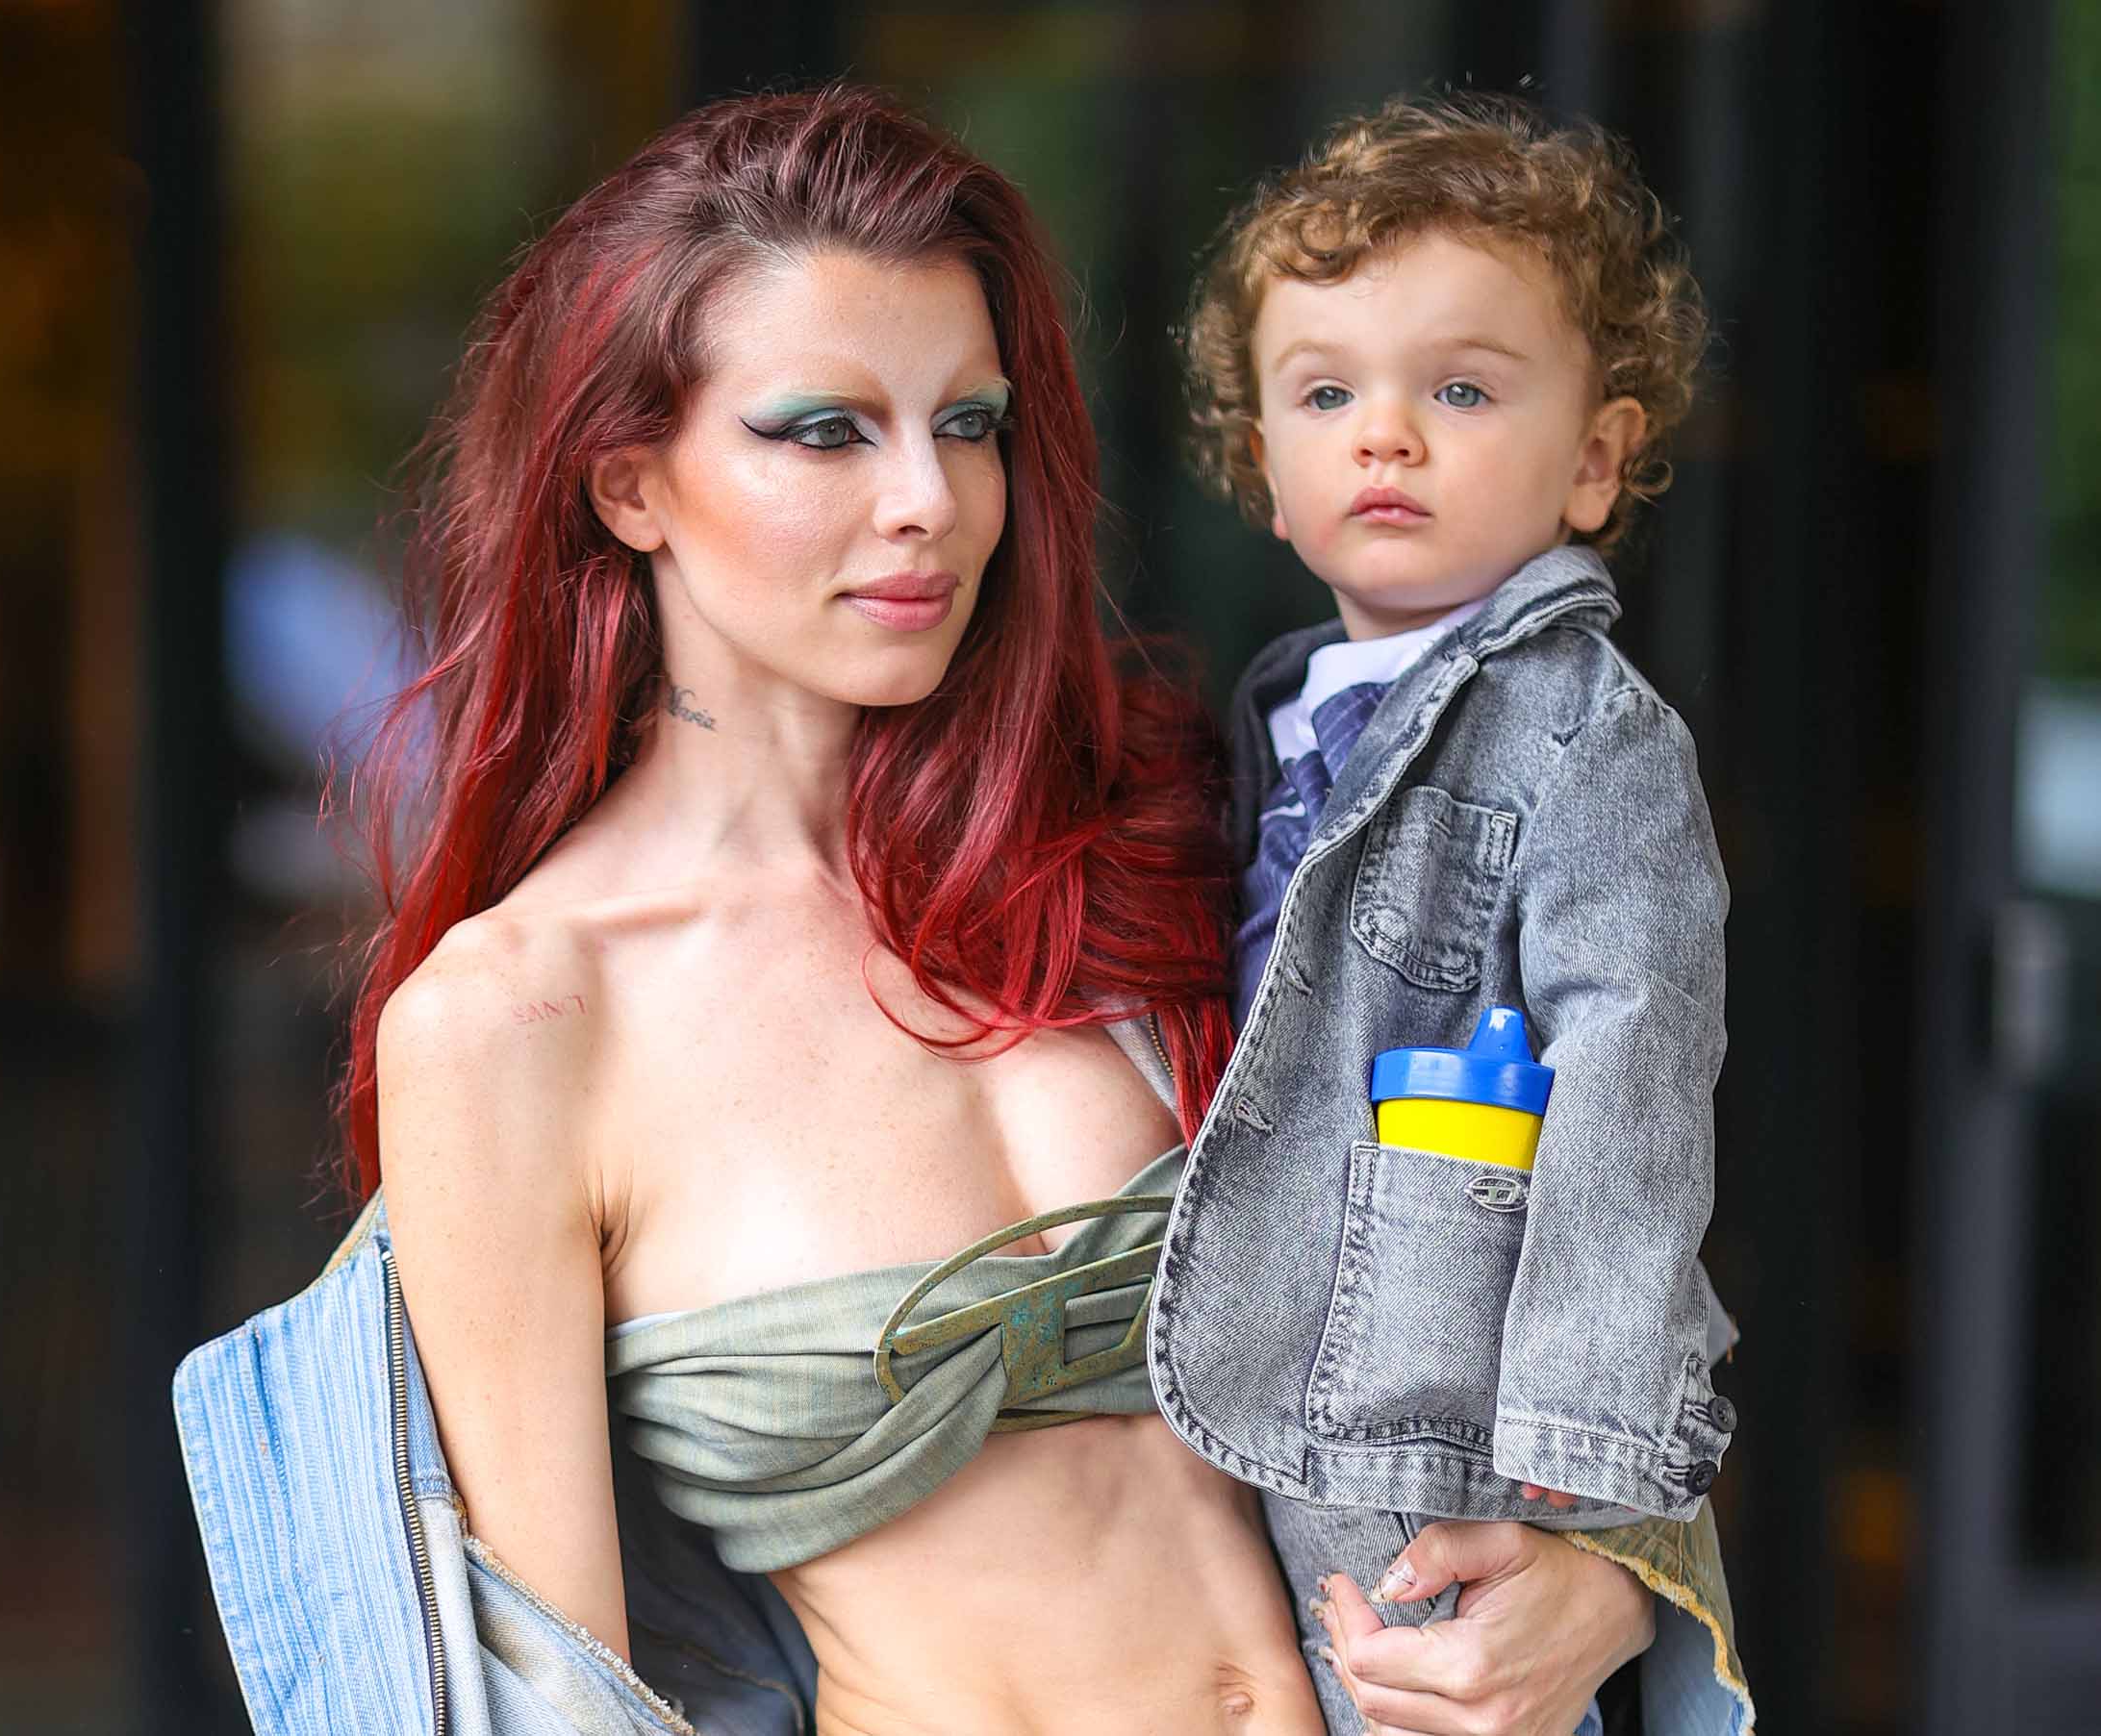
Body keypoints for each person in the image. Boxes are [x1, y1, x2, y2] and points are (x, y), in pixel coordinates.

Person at [173, 85, 1751, 1736]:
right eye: (824, 429)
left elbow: (1534, 1233)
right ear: (629, 484)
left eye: (970, 421)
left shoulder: (1143, 832)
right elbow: (560, 1700)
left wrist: (1603, 1580)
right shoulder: (516, 1019)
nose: (929, 497)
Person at [1155, 91, 1750, 1731]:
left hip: (1431, 1413)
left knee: (1422, 1690)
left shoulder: (1585, 733)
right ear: (1263, 471)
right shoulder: (1271, 714)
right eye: (1323, 393)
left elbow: (1633, 1080)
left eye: (1462, 389)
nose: (1385, 435)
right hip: (1252, 1360)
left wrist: (1576, 1463)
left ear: (1594, 460)